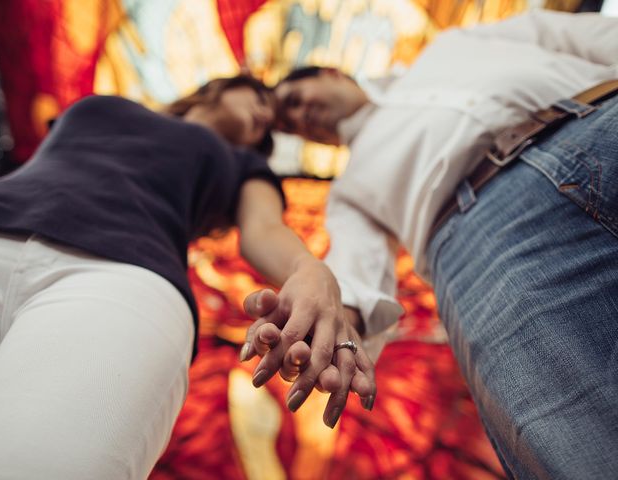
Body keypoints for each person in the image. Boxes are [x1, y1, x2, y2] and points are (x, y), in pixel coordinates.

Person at [245, 10, 618, 479]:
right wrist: (328, 324)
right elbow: (355, 274)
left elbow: (590, 35)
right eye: (291, 124)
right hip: (484, 247)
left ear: (329, 72)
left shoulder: (452, 45)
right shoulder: (349, 190)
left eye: (295, 100)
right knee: (579, 435)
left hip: (597, 117)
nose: (300, 117)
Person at [0, 74, 375, 480]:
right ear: (219, 86)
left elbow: (265, 230)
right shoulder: (108, 104)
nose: (265, 113)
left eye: (271, 123)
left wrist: (310, 270)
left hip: (122, 279)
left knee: (35, 463)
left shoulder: (247, 165)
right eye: (259, 97)